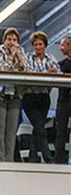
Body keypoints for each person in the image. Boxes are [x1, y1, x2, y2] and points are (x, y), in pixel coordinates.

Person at [23, 31, 61, 164]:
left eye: (40, 44)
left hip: (44, 97)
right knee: (40, 128)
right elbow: (29, 73)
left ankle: (33, 158)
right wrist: (45, 72)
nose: (37, 47)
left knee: (37, 129)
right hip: (30, 97)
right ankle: (49, 159)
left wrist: (53, 72)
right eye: (35, 44)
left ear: (45, 45)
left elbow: (58, 72)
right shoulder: (29, 57)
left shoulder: (51, 58)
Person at [0, 28, 26, 162]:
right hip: (0, 94)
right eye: (9, 39)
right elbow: (3, 70)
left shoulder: (21, 51)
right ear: (4, 40)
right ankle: (0, 160)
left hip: (15, 95)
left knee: (11, 131)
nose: (12, 42)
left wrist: (20, 59)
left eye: (14, 40)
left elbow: (26, 70)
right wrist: (11, 56)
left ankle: (9, 160)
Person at [54, 34, 71, 164]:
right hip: (63, 102)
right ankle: (59, 160)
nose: (60, 48)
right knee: (61, 131)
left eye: (62, 44)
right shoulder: (60, 65)